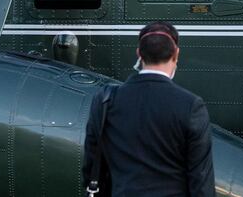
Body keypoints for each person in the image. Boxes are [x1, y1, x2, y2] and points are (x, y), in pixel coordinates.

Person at [83, 21, 214, 197]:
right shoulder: (191, 106)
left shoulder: (106, 101)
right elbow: (201, 181)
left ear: (139, 53)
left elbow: (91, 166)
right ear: (176, 54)